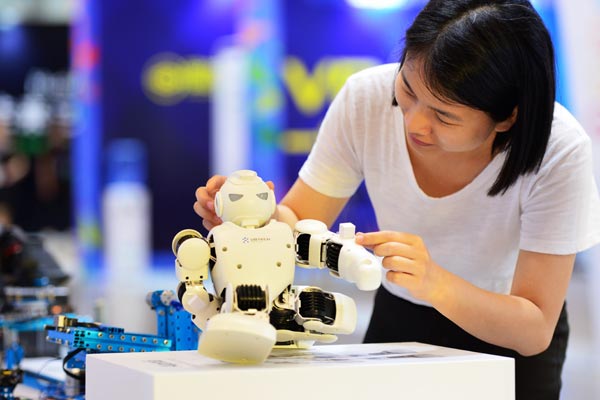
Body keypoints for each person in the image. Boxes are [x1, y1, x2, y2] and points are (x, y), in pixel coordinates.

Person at [194, 1, 600, 398]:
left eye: (444, 115)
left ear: (507, 117)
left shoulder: (559, 150)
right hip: (401, 312)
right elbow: (299, 219)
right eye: (407, 89)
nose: (415, 122)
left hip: (508, 330)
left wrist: (435, 281)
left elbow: (534, 328)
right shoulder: (365, 97)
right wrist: (251, 219)